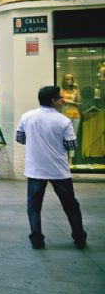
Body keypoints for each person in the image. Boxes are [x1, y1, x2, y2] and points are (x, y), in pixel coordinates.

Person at [16, 85, 87, 250]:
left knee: (34, 206)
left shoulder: (27, 116)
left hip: (35, 169)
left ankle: (37, 239)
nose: (63, 100)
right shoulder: (63, 120)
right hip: (58, 170)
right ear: (53, 101)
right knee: (70, 205)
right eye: (60, 97)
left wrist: (36, 144)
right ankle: (79, 236)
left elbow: (20, 138)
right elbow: (72, 145)